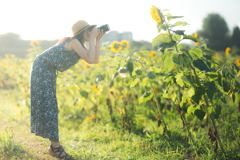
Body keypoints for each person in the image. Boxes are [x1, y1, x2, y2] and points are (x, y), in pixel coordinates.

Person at [29, 20, 106, 159]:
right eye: (91, 30)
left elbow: (94, 60)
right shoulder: (74, 42)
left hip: (47, 69)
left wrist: (97, 40)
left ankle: (54, 146)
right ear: (85, 32)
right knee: (50, 106)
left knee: (51, 106)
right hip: (42, 67)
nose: (94, 32)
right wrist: (94, 38)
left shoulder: (79, 45)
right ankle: (55, 147)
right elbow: (90, 59)